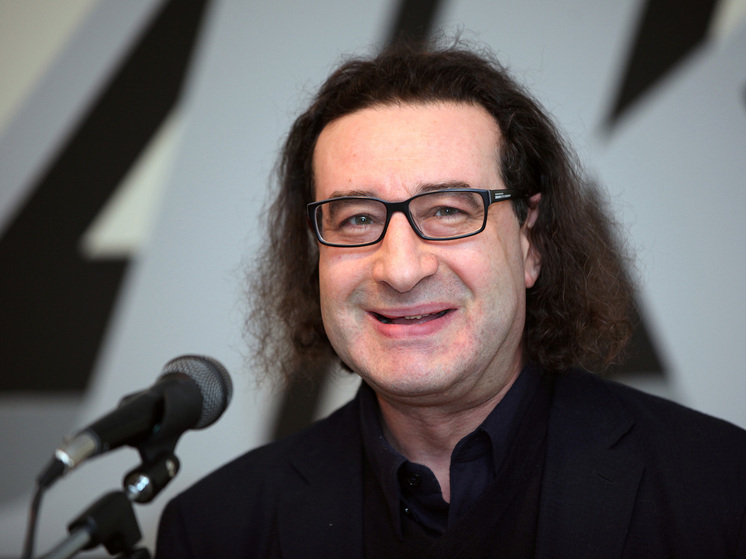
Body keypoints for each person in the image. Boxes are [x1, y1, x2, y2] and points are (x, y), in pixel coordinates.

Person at [155, 40, 746, 558]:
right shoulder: (215, 529)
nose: (401, 269)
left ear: (531, 242)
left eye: (446, 211)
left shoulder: (721, 487)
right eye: (358, 219)